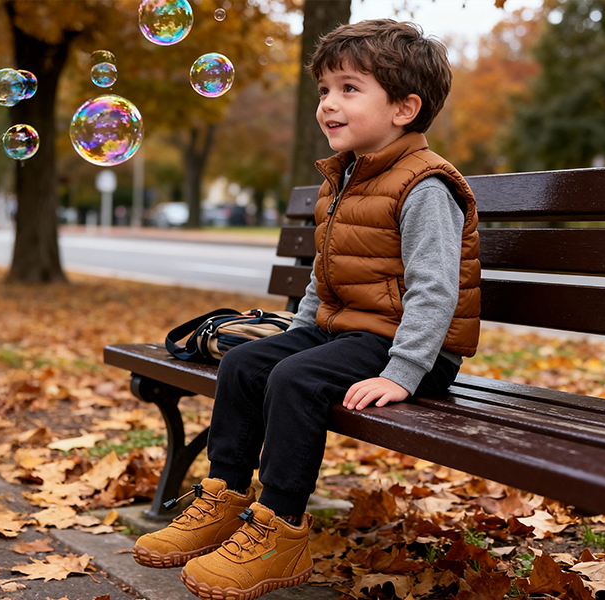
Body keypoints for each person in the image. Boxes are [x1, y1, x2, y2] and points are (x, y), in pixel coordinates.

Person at [132, 19, 482, 600]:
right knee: (248, 364)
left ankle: (279, 529)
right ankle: (223, 498)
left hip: (413, 348)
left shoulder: (425, 186)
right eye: (323, 90)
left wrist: (402, 373)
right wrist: (290, 336)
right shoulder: (343, 178)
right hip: (345, 336)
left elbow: (435, 291)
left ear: (404, 108)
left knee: (296, 378)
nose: (327, 104)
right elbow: (325, 276)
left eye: (348, 89)